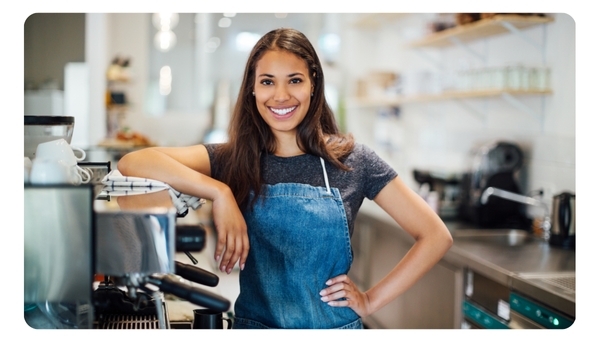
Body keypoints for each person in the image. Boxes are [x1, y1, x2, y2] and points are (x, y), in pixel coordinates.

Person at [118, 28, 453, 329]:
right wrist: (219, 192)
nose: (280, 96)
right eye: (267, 81)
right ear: (252, 88)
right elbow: (135, 161)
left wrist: (371, 300)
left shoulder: (352, 160)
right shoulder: (233, 159)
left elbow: (436, 236)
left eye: (294, 80)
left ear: (313, 85)